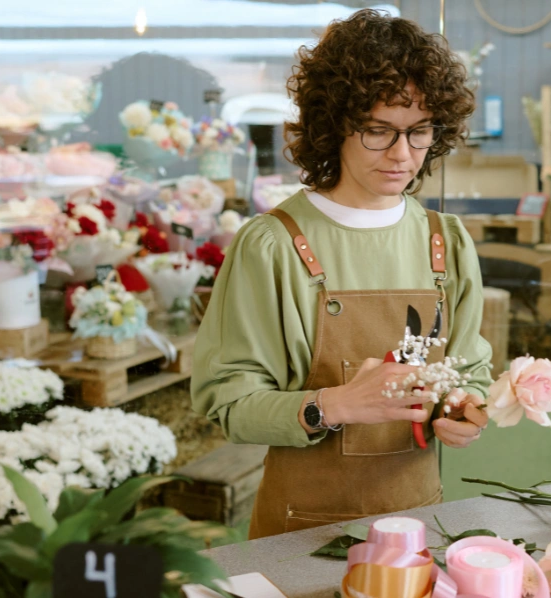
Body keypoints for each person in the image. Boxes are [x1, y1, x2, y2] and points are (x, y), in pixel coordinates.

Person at [191, 8, 492, 540]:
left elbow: (469, 368)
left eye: (419, 132)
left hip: (417, 519)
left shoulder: (446, 241)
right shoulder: (274, 244)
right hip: (302, 532)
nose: (403, 155)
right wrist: (337, 404)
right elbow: (227, 401)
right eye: (378, 131)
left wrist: (464, 408)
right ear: (334, 124)